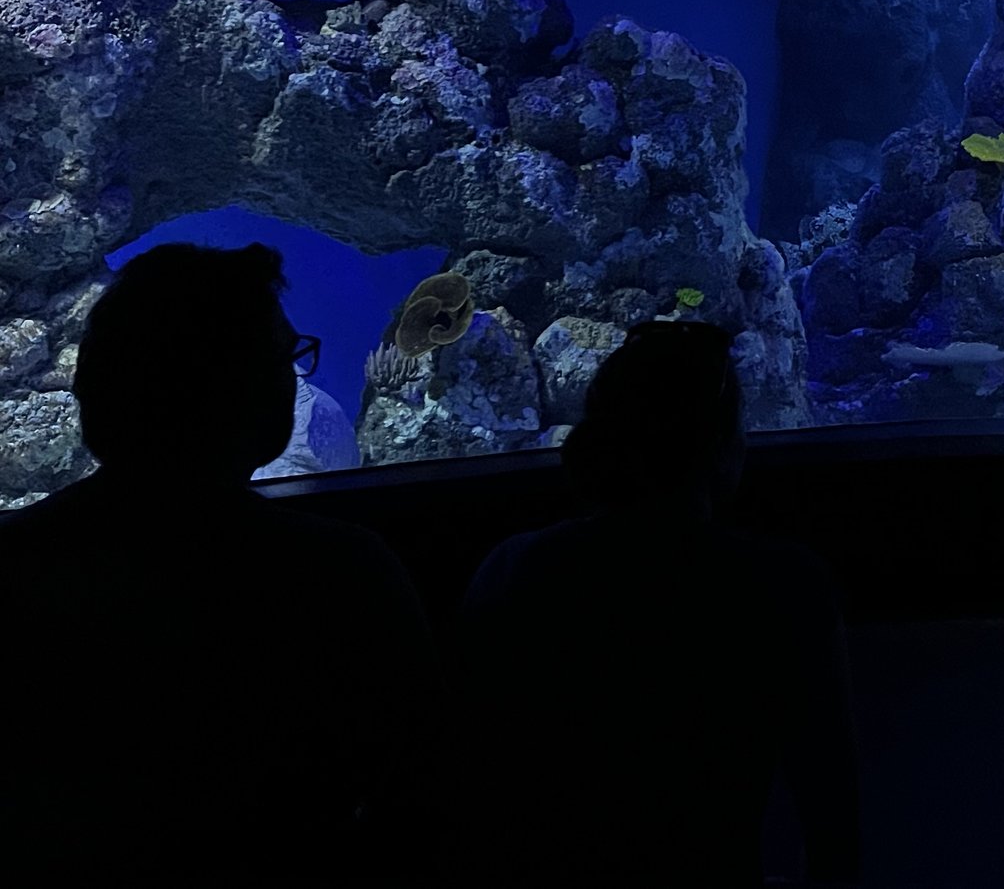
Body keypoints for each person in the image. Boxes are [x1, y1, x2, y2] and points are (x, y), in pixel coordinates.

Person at [0, 243, 435, 880]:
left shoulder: (16, 567)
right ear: (251, 394)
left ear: (95, 386)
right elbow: (418, 789)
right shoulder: (344, 577)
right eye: (285, 357)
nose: (294, 374)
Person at [459, 319, 861, 886]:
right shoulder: (785, 584)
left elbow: (472, 783)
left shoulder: (511, 568)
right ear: (720, 447)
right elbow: (833, 814)